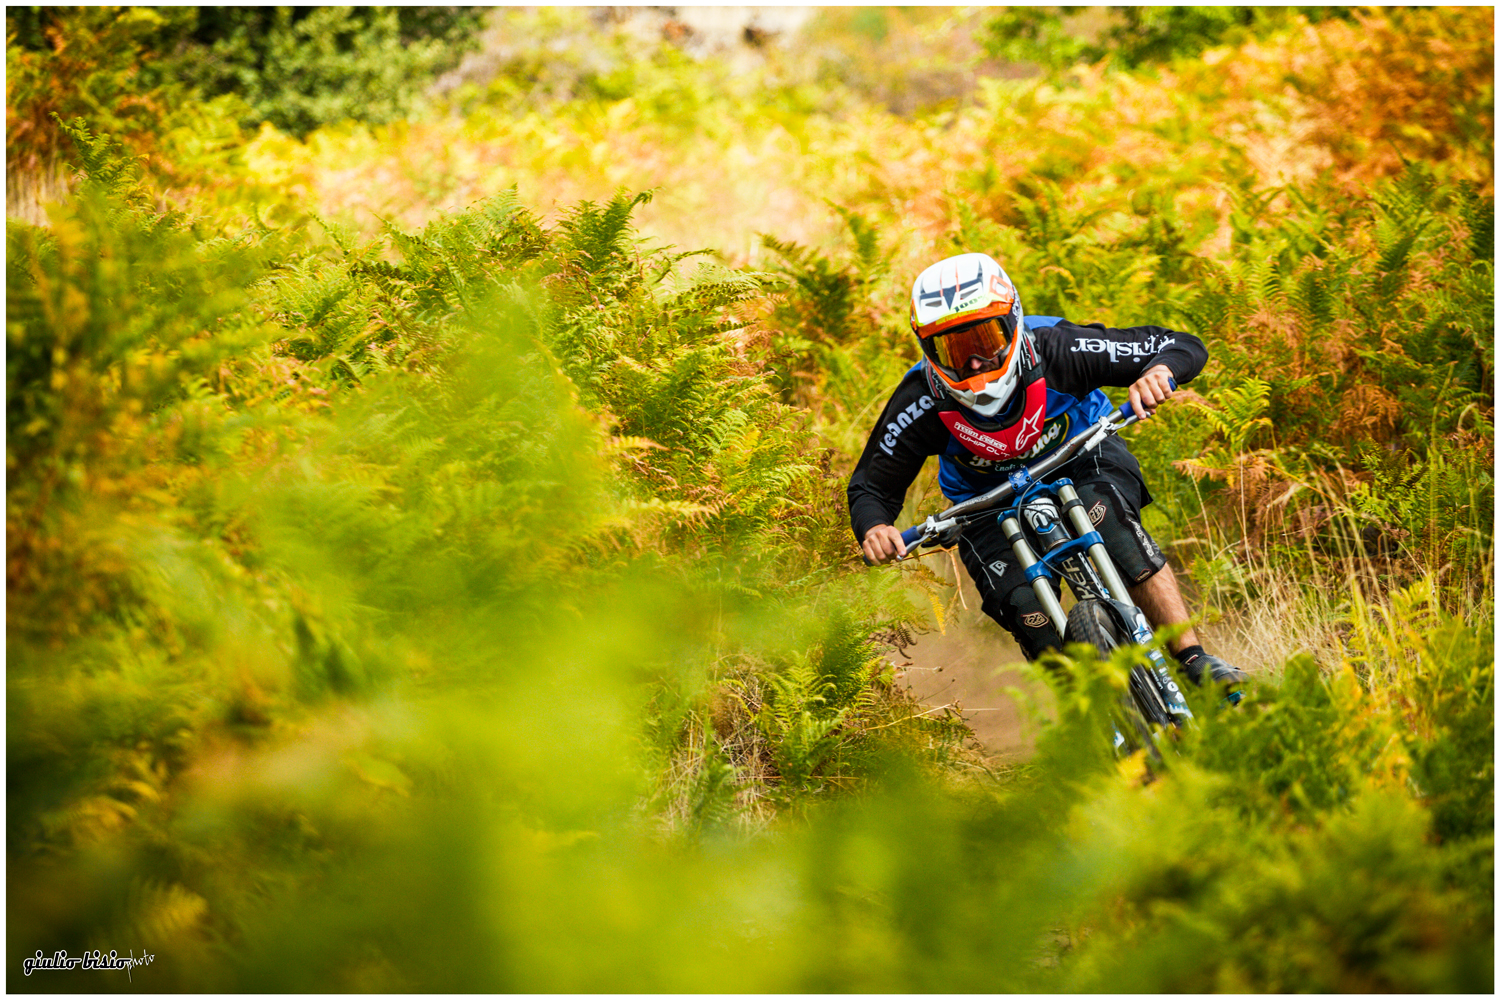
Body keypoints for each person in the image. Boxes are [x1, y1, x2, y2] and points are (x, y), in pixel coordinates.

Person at [849, 252, 1244, 687]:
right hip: (982, 502)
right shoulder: (920, 399)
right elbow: (871, 486)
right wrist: (875, 528)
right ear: (928, 350)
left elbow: (1178, 344)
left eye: (984, 340)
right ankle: (1094, 719)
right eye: (954, 350)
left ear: (1014, 321)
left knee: (1113, 525)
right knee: (1025, 609)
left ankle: (1193, 659)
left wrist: (1159, 371)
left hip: (1082, 456)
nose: (975, 364)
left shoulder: (1058, 347)